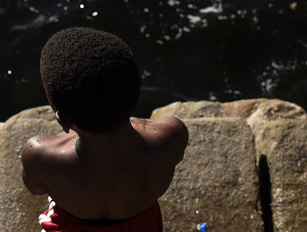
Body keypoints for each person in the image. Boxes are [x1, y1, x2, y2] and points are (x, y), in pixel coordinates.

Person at [21, 27, 189, 231]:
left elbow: (36, 188)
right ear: (134, 95)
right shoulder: (172, 135)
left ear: (63, 120)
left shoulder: (39, 154)